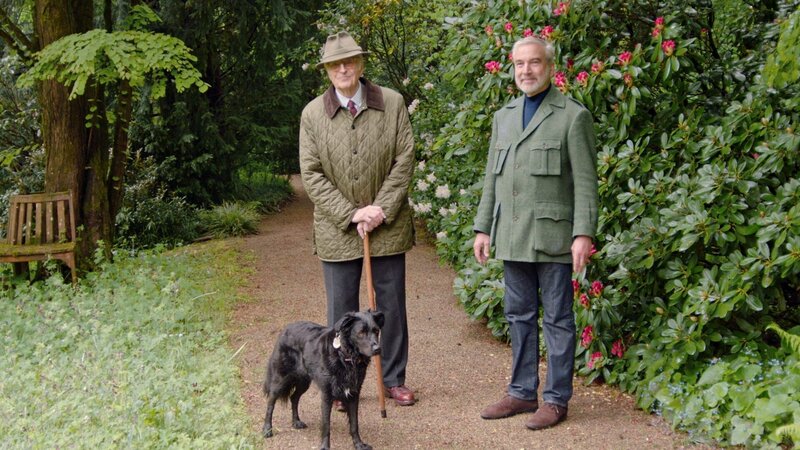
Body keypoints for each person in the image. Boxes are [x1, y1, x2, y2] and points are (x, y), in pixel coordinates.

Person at [472, 36, 598, 430]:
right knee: (519, 316)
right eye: (519, 63)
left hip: (555, 237)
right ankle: (522, 392)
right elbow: (492, 179)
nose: (526, 70)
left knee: (558, 319)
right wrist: (483, 227)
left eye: (534, 62)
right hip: (513, 235)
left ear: (550, 67)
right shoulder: (504, 116)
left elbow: (586, 182)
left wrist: (583, 233)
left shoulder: (572, 116)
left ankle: (556, 399)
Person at [299, 30, 416, 407]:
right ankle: (340, 384)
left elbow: (405, 158)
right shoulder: (312, 114)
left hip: (388, 226)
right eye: (335, 64)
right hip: (337, 230)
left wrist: (380, 209)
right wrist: (351, 214)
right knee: (341, 315)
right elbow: (311, 173)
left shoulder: (392, 103)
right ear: (327, 70)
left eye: (349, 61)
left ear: (361, 63)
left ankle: (393, 378)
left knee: (390, 307)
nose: (343, 68)